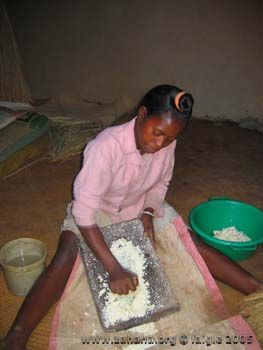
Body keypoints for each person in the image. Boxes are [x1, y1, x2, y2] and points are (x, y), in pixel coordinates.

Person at [1, 84, 262, 350]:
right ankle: (15, 338)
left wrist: (149, 212)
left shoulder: (166, 144)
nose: (160, 143)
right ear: (141, 113)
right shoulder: (105, 147)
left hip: (139, 207)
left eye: (169, 139)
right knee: (64, 261)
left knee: (189, 243)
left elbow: (160, 185)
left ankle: (258, 292)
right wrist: (113, 267)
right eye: (157, 132)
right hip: (98, 212)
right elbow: (83, 212)